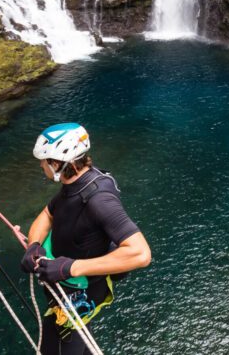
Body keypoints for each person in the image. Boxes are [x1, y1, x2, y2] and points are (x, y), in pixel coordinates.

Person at [20, 123, 151, 354]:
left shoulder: (98, 199)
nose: (41, 165)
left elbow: (141, 253)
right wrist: (34, 245)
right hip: (69, 287)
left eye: (44, 160)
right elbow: (48, 214)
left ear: (58, 163)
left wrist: (71, 268)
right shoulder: (76, 183)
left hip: (78, 294)